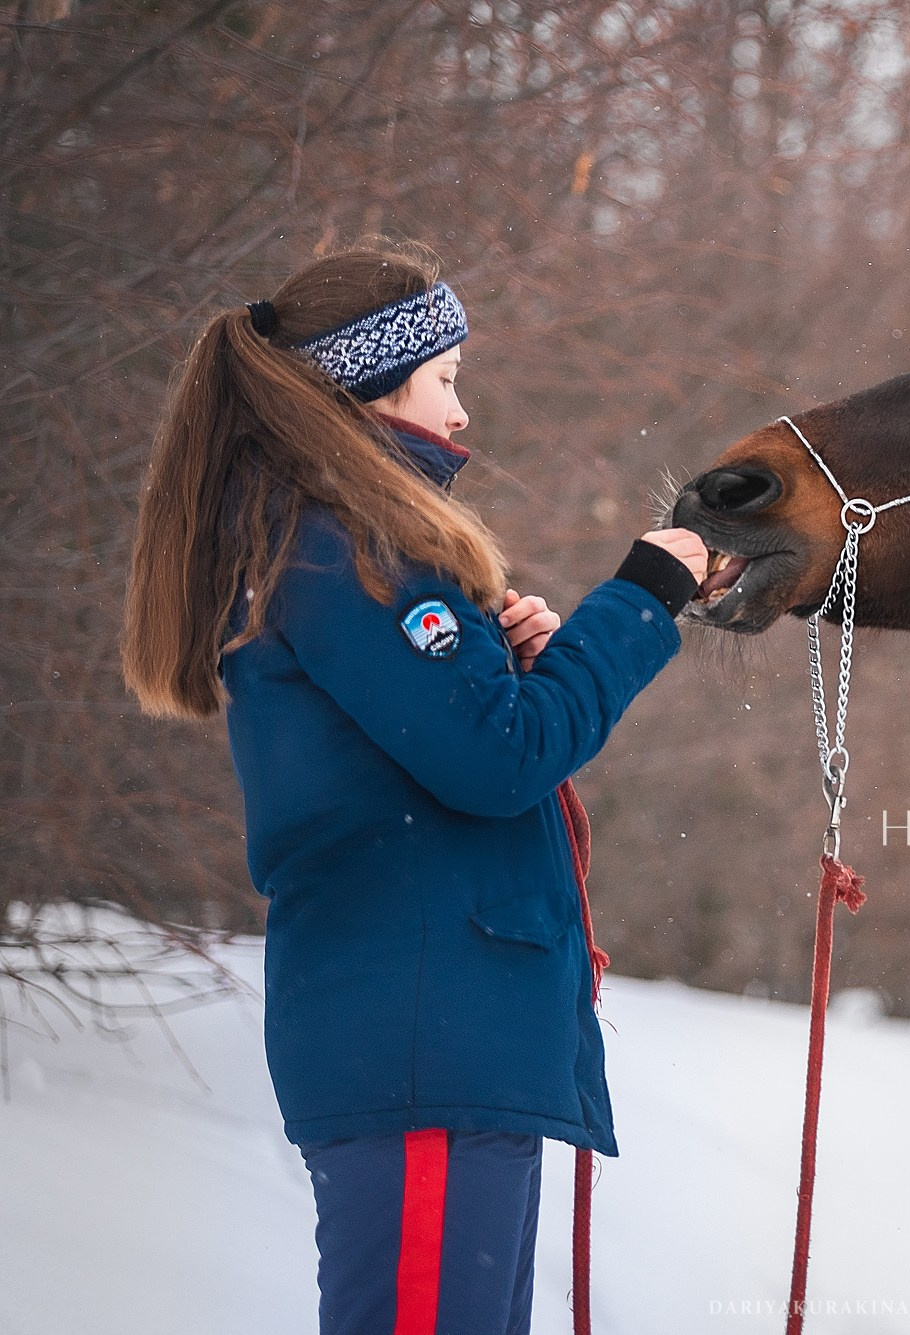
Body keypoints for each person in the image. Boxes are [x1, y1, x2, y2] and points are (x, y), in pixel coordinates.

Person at [120, 241, 709, 1334]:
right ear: (375, 384)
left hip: (432, 1036)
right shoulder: (347, 547)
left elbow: (459, 738)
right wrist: (638, 601)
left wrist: (512, 661)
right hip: (427, 1040)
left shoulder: (333, 546)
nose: (462, 412)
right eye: (446, 379)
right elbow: (502, 760)